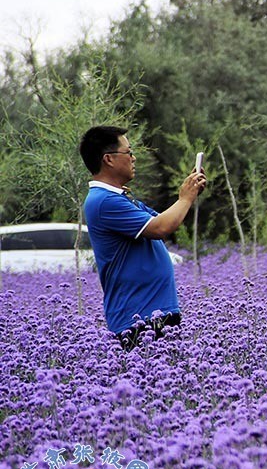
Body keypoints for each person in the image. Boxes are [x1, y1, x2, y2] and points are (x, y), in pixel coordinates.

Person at [80, 126, 206, 351]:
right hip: (139, 320)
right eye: (128, 152)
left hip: (156, 314)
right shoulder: (103, 201)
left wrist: (189, 195)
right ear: (108, 159)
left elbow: (166, 221)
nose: (133, 157)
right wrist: (185, 198)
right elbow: (161, 228)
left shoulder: (121, 197)